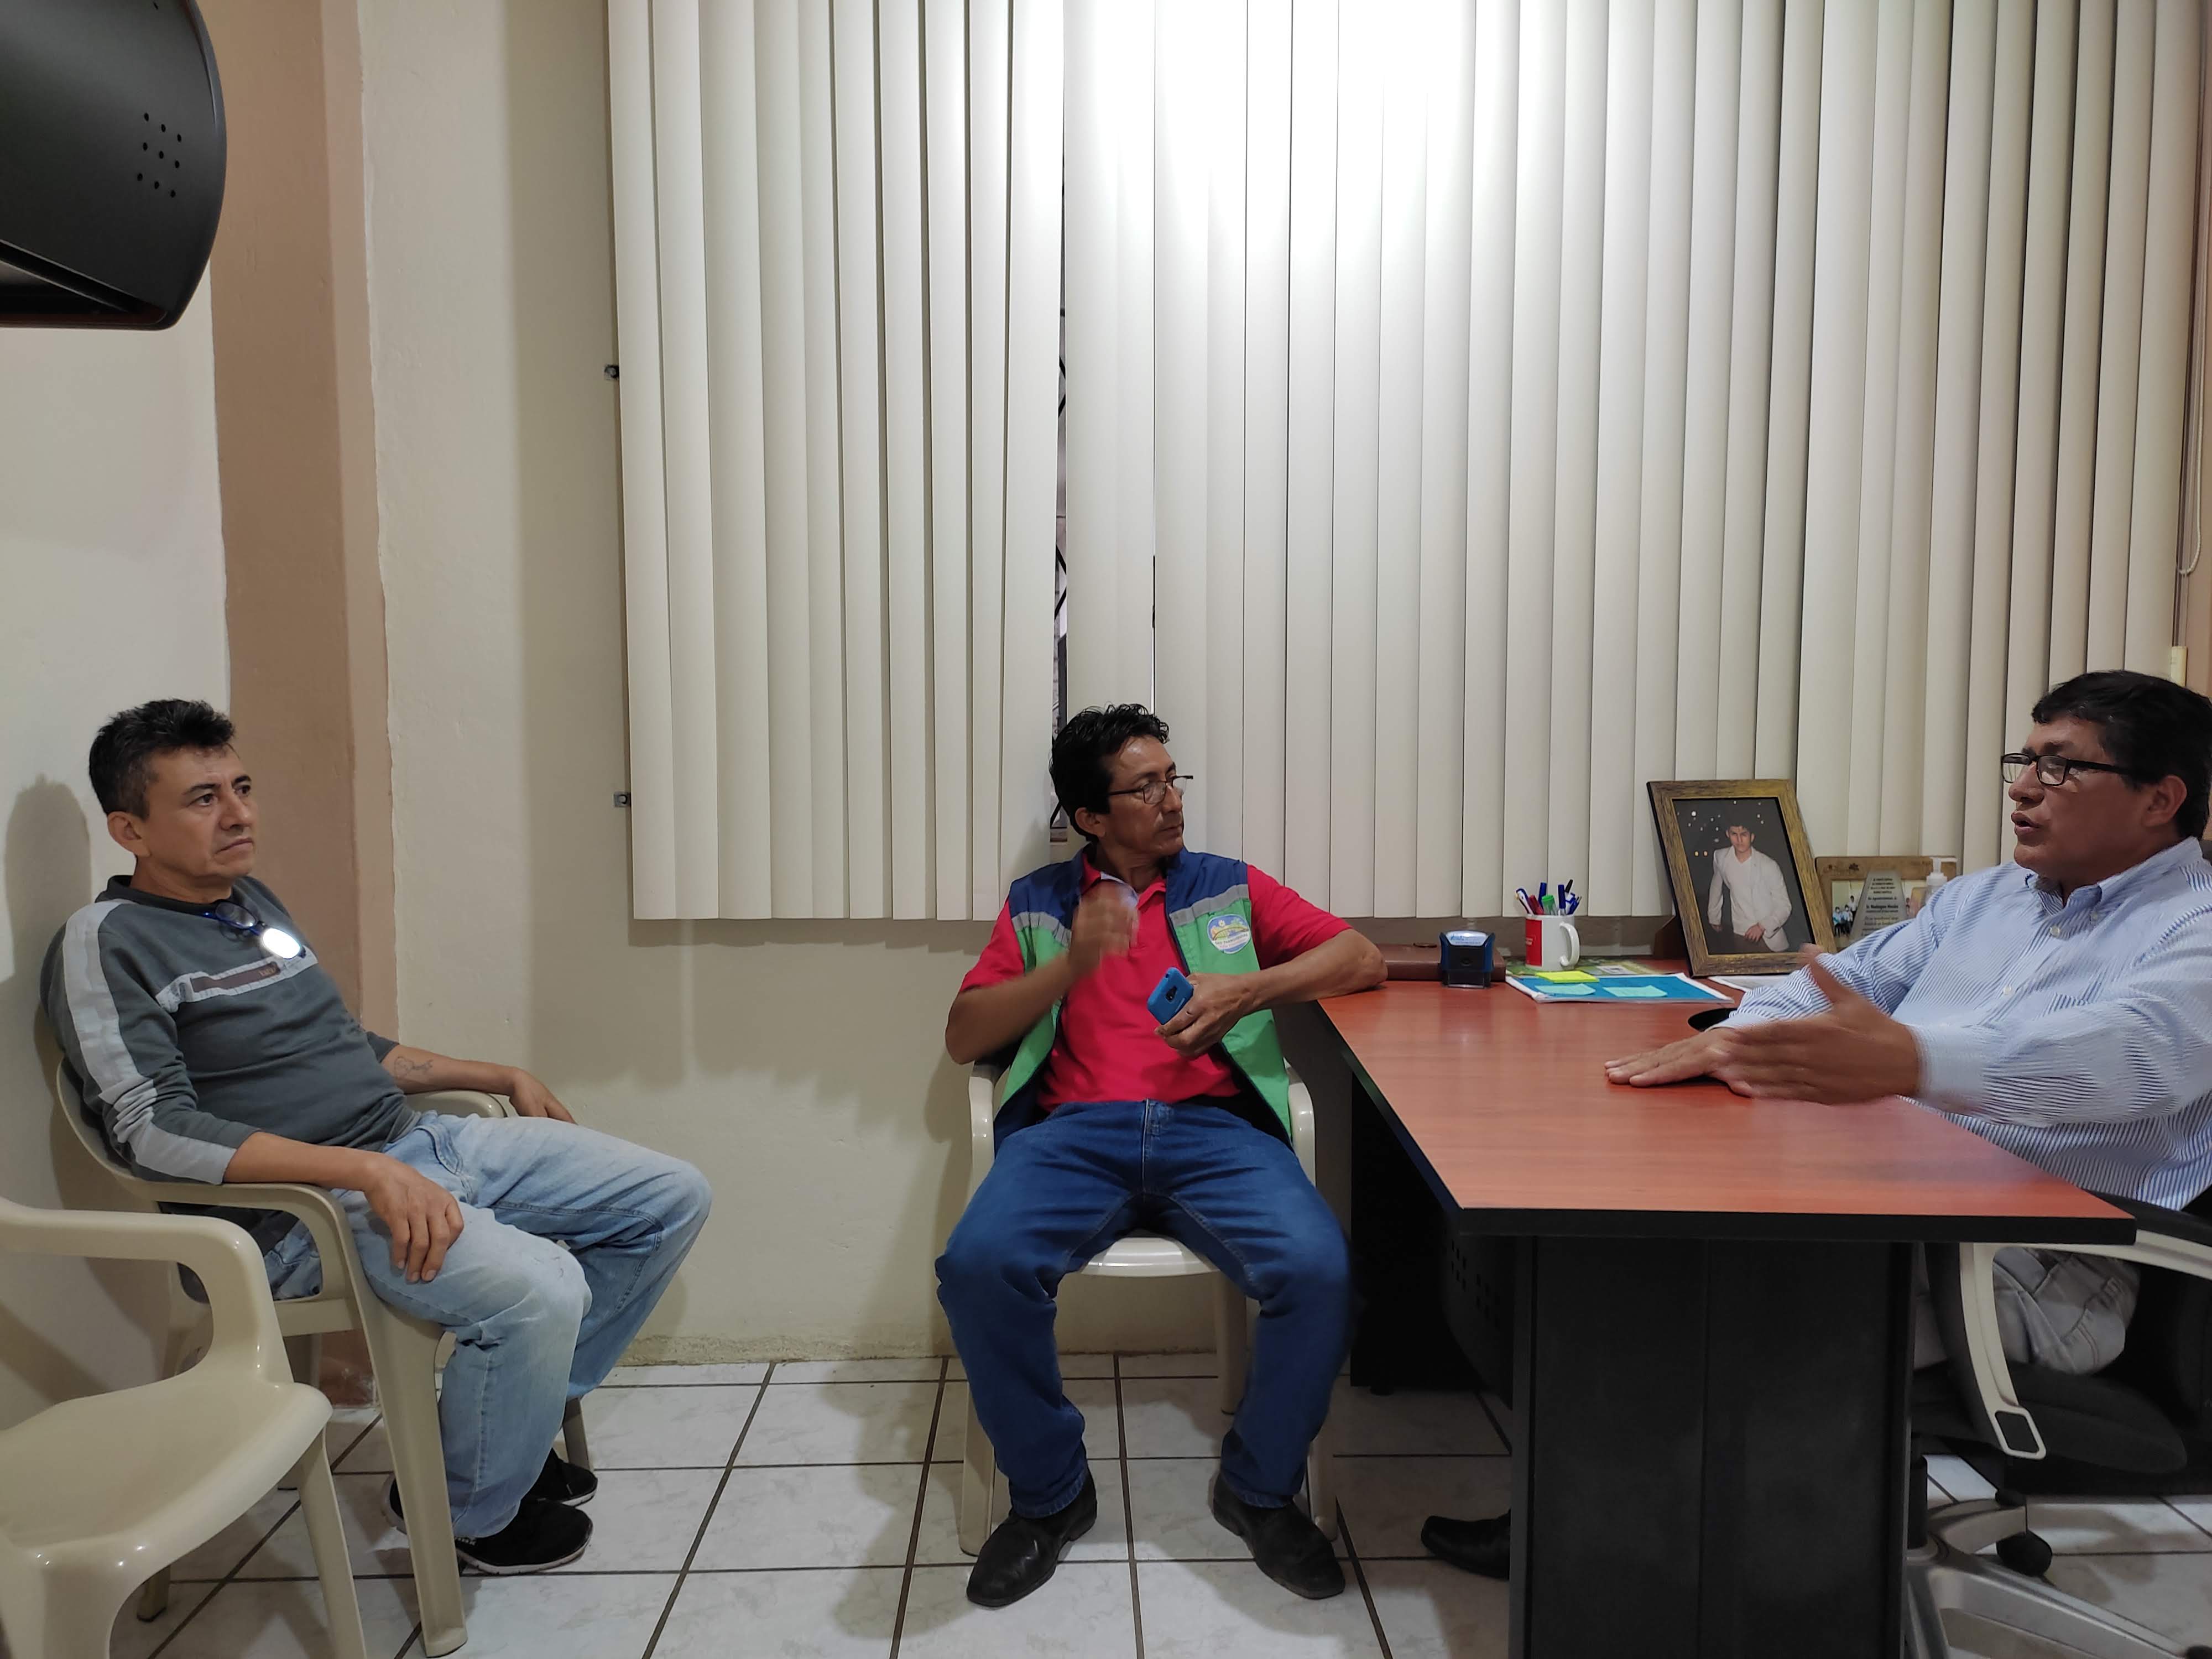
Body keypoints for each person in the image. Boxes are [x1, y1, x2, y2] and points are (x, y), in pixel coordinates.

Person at [1425, 669, 2212, 1583]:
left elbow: (2128, 1056)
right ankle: (1611, 1529)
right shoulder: (1989, 897)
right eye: (2024, 761)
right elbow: (1835, 985)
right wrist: (1741, 1042)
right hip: (1898, 1200)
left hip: (2036, 1263)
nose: (2025, 788)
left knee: (1696, 1308)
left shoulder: (2194, 929)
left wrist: (1912, 1062)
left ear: (2160, 798)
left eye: (2063, 767)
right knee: (1630, 1249)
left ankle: (1633, 1563)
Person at [43, 700, 713, 1575]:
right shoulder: (107, 944)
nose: (240, 814)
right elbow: (151, 1131)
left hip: (411, 1146)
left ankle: (485, 1441)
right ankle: (474, 1515)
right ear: (130, 829)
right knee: (541, 1290)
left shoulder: (246, 903)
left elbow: (343, 1046)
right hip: (299, 1216)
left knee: (667, 1198)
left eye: (242, 787)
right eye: (204, 799)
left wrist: (496, 1072)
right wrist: (363, 1172)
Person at [937, 705, 1385, 1609]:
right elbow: (963, 1037)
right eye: (1145, 788)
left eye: (1173, 779)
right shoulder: (1039, 902)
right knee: (979, 1266)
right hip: (1073, 1136)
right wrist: (1067, 967)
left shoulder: (1225, 887)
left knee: (1321, 1271)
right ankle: (1050, 1496)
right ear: (1090, 816)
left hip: (1217, 1132)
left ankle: (1259, 1487)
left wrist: (1249, 990)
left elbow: (1360, 958)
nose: (1172, 800)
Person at [1705, 821, 1793, 952]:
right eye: (1734, 834)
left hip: (1769, 938)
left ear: (1752, 837)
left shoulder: (1769, 865)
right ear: (1728, 834)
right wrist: (1714, 916)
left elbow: (1785, 906)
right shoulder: (1721, 857)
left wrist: (1762, 926)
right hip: (1740, 934)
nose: (1739, 840)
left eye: (1744, 834)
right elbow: (1716, 886)